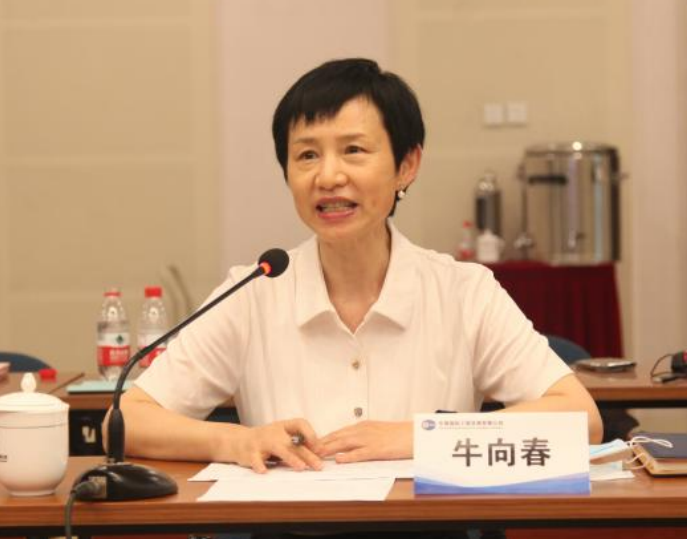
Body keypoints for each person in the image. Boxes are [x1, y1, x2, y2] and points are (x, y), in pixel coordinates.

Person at [110, 58, 602, 477]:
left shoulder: (462, 291)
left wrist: (420, 436)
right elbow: (127, 419)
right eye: (307, 155)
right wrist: (238, 441)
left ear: (407, 165)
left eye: (354, 150)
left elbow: (581, 419)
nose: (328, 176)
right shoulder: (253, 291)